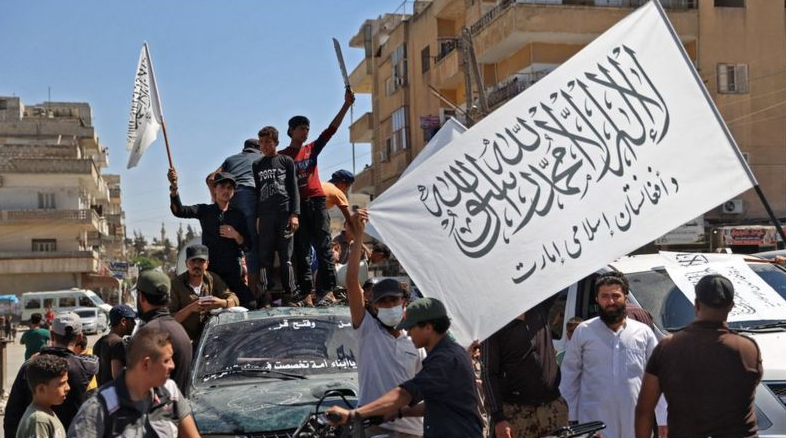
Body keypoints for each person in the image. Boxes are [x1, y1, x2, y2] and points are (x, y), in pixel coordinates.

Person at [328, 297, 483, 437]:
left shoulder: (444, 360)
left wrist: (354, 414)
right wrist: (398, 413)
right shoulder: (451, 352)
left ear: (428, 327)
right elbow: (438, 405)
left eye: (411, 328)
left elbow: (404, 394)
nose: (408, 334)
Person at [635, 274, 762, 438]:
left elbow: (644, 409)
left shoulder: (668, 347)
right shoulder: (748, 349)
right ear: (731, 306)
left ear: (696, 305)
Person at [345, 211, 423, 437]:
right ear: (373, 306)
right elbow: (352, 282)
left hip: (412, 430)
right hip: (374, 427)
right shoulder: (367, 330)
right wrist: (358, 237)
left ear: (404, 302)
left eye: (393, 300)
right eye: (383, 302)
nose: (389, 305)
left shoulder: (416, 342)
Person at [559, 272, 665, 438]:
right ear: (597, 299)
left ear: (625, 298)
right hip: (594, 422)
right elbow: (569, 377)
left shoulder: (643, 333)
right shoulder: (584, 332)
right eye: (605, 296)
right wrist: (569, 417)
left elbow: (657, 379)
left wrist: (663, 418)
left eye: (616, 296)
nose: (610, 302)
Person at [280, 89, 355, 304]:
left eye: (307, 129)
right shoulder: (282, 157)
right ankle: (305, 292)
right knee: (301, 250)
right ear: (291, 131)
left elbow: (331, 130)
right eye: (301, 128)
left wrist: (346, 105)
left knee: (324, 247)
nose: (305, 132)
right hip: (298, 208)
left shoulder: (311, 149)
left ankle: (326, 290)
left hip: (317, 201)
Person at [68, 327, 200, 438]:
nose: (172, 366)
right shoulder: (99, 408)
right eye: (166, 360)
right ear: (146, 364)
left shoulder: (170, 392)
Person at [481, 297, 568, 438]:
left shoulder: (539, 308)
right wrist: (498, 417)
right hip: (516, 414)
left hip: (553, 408)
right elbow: (488, 373)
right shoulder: (494, 325)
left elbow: (555, 284)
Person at [168, 168, 255, 308]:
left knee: (250, 304)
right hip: (211, 276)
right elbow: (179, 211)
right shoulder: (205, 211)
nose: (226, 190)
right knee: (208, 308)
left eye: (230, 188)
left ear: (233, 192)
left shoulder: (238, 216)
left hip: (232, 273)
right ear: (215, 189)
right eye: (222, 186)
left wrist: (235, 235)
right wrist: (174, 188)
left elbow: (247, 246)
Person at [4, 312, 99, 436]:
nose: (66, 388)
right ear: (80, 337)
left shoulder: (30, 365)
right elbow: (94, 360)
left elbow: (13, 413)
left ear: (52, 335)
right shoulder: (83, 367)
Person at [252, 126, 300, 304]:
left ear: (276, 143)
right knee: (265, 256)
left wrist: (294, 214)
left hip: (284, 214)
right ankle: (266, 292)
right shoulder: (257, 165)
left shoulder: (286, 161)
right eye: (261, 142)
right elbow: (258, 192)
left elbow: (293, 188)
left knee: (286, 256)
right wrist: (258, 217)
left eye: (268, 142)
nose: (264, 145)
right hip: (265, 216)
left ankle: (291, 292)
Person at [213, 138, 263, 297]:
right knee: (252, 244)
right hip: (249, 196)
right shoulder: (261, 157)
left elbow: (211, 178)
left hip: (230, 197)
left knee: (233, 240)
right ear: (259, 148)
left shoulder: (230, 159)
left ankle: (229, 290)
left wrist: (216, 201)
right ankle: (253, 292)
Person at [135, 269, 193, 394]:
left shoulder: (147, 333)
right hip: (179, 405)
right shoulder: (179, 328)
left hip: (158, 406)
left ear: (141, 297)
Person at [170, 244, 239, 341]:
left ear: (207, 264)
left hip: (210, 338)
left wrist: (221, 303)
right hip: (185, 339)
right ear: (186, 264)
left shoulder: (213, 279)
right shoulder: (176, 285)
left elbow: (234, 299)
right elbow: (170, 320)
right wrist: (190, 308)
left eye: (201, 261)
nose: (196, 265)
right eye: (193, 261)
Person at [16, 354, 70, 438]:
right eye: (61, 384)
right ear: (41, 389)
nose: (68, 388)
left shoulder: (45, 413)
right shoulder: (39, 420)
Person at [93, 304, 137, 386]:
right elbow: (118, 376)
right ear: (123, 321)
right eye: (132, 320)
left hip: (102, 391)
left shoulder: (99, 342)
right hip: (114, 392)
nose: (134, 324)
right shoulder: (117, 343)